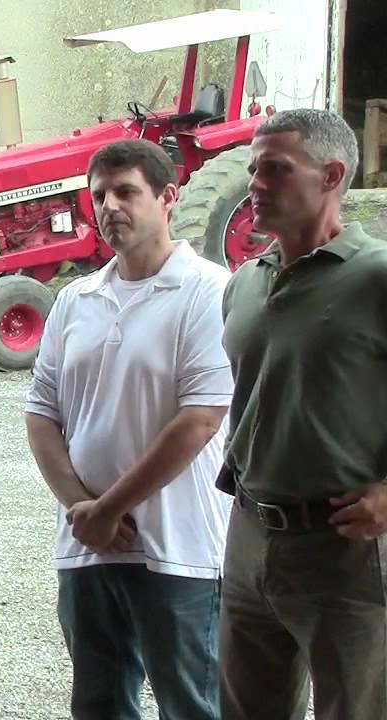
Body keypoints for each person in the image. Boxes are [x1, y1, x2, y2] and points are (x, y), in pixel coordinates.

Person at [24, 139, 234, 719]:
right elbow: (41, 411)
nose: (110, 206)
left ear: (168, 197)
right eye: (99, 196)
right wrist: (81, 509)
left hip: (179, 545)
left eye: (126, 192)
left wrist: (109, 508)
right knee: (98, 703)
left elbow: (199, 420)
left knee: (191, 702)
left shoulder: (208, 291)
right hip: (89, 546)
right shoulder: (75, 299)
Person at [217, 108, 387, 720]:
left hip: (341, 548)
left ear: (332, 174)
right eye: (252, 168)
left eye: (275, 169)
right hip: (249, 535)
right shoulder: (243, 284)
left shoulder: (376, 277)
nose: (255, 184)